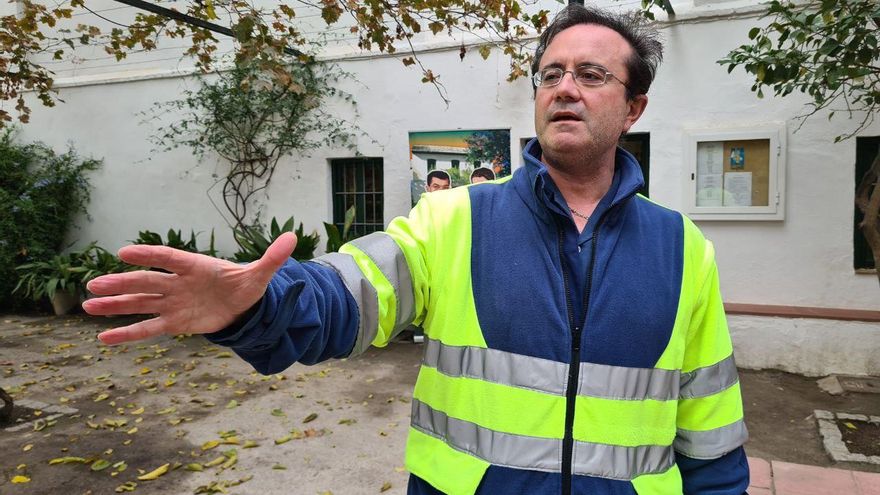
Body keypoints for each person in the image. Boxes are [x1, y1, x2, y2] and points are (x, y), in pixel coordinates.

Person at [83, 5, 749, 494]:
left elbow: (710, 430)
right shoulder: (454, 218)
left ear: (634, 107)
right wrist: (260, 303)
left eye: (592, 74)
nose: (565, 87)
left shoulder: (682, 249)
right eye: (551, 73)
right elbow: (348, 292)